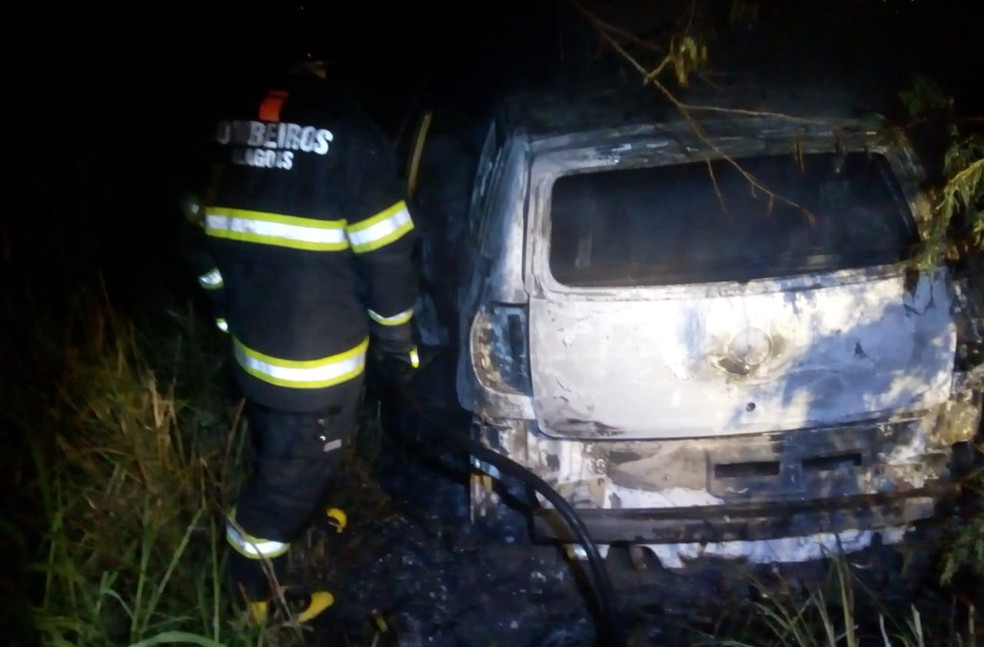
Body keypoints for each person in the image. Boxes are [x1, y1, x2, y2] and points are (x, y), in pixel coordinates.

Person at [178, 52, 420, 625]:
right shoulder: (353, 135)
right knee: (288, 480)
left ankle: (309, 511)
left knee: (292, 449)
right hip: (318, 363)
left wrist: (221, 313)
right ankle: (252, 600)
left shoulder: (223, 128)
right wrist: (397, 343)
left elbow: (194, 240)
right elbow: (388, 257)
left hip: (251, 348)